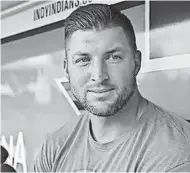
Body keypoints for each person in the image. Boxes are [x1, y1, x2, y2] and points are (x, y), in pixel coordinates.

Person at [34, 4, 190, 172]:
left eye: (113, 57)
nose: (99, 76)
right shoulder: (56, 146)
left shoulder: (175, 155)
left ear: (136, 63)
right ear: (66, 69)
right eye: (83, 60)